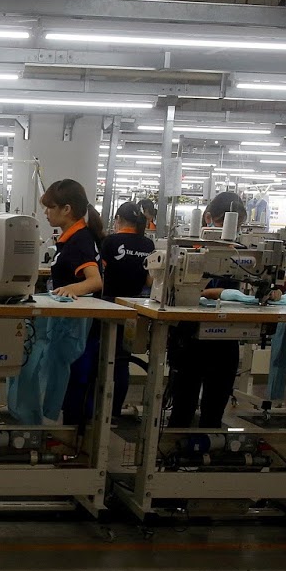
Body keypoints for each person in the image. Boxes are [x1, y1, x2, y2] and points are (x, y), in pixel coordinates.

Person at [165, 192, 248, 429]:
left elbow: (244, 284)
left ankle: (208, 440)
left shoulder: (240, 252)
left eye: (238, 226)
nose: (232, 230)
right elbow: (177, 287)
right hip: (190, 334)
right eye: (226, 223)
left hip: (225, 332)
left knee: (216, 401)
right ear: (208, 218)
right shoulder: (188, 247)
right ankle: (178, 441)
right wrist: (214, 292)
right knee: (184, 402)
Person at [41, 179, 106, 426]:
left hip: (79, 328)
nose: (46, 213)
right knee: (68, 378)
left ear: (66, 209)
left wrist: (67, 289)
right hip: (73, 324)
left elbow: (94, 281)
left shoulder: (79, 240)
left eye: (50, 207)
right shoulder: (73, 238)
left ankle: (71, 434)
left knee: (74, 380)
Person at [102, 201, 155, 417]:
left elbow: (100, 276)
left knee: (103, 359)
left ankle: (99, 412)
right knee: (122, 361)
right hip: (134, 308)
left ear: (118, 219)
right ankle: (114, 412)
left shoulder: (109, 242)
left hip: (107, 307)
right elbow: (150, 281)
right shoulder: (148, 245)